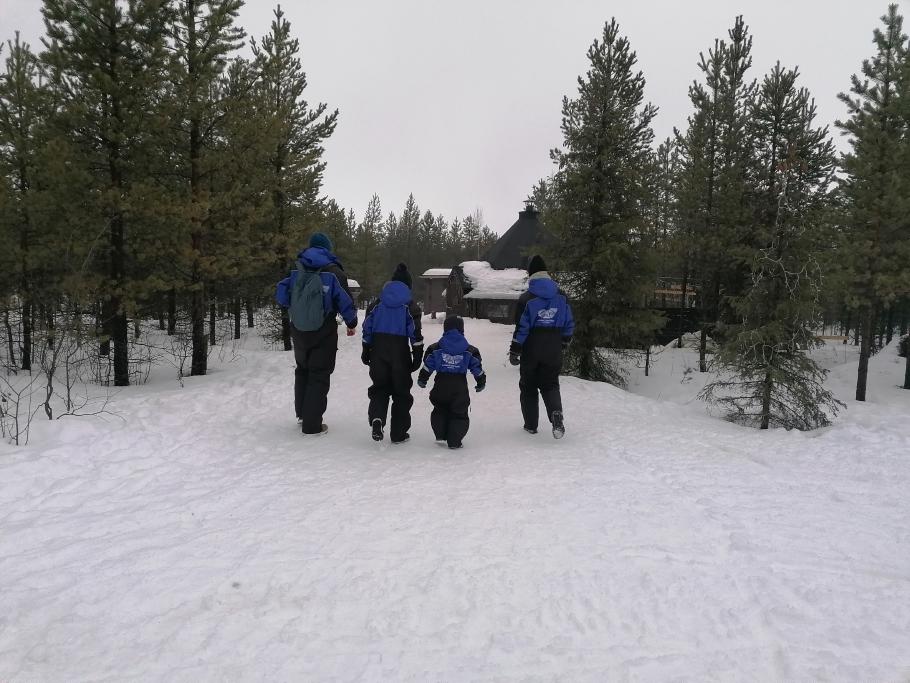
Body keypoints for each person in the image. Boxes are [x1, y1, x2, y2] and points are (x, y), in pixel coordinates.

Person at [276, 232, 357, 436]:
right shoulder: (333, 271)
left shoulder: (295, 268)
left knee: (303, 369)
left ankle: (303, 414)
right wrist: (351, 322)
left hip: (299, 328)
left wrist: (295, 307)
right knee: (319, 374)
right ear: (327, 249)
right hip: (324, 329)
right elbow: (345, 301)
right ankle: (312, 426)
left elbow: (281, 294)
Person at [509, 255, 574, 439]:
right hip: (553, 346)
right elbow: (569, 322)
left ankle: (531, 425)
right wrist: (564, 341)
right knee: (550, 384)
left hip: (532, 347)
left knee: (528, 386)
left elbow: (522, 327)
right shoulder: (562, 297)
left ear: (531, 274)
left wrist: (515, 350)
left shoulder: (526, 299)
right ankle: (556, 414)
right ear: (547, 274)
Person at [361, 263, 424, 443]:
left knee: (379, 388)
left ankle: (377, 419)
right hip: (400, 353)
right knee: (401, 393)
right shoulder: (410, 306)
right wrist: (417, 354)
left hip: (378, 351)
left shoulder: (377, 304)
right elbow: (415, 333)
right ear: (408, 286)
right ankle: (398, 433)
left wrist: (366, 349)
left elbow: (368, 328)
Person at [417, 316, 486, 450]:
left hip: (441, 383)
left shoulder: (435, 348)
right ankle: (454, 441)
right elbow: (476, 368)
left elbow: (428, 365)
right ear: (462, 329)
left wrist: (422, 379)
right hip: (459, 385)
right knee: (459, 412)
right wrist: (481, 381)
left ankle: (440, 435)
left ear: (445, 329)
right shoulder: (470, 350)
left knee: (439, 409)